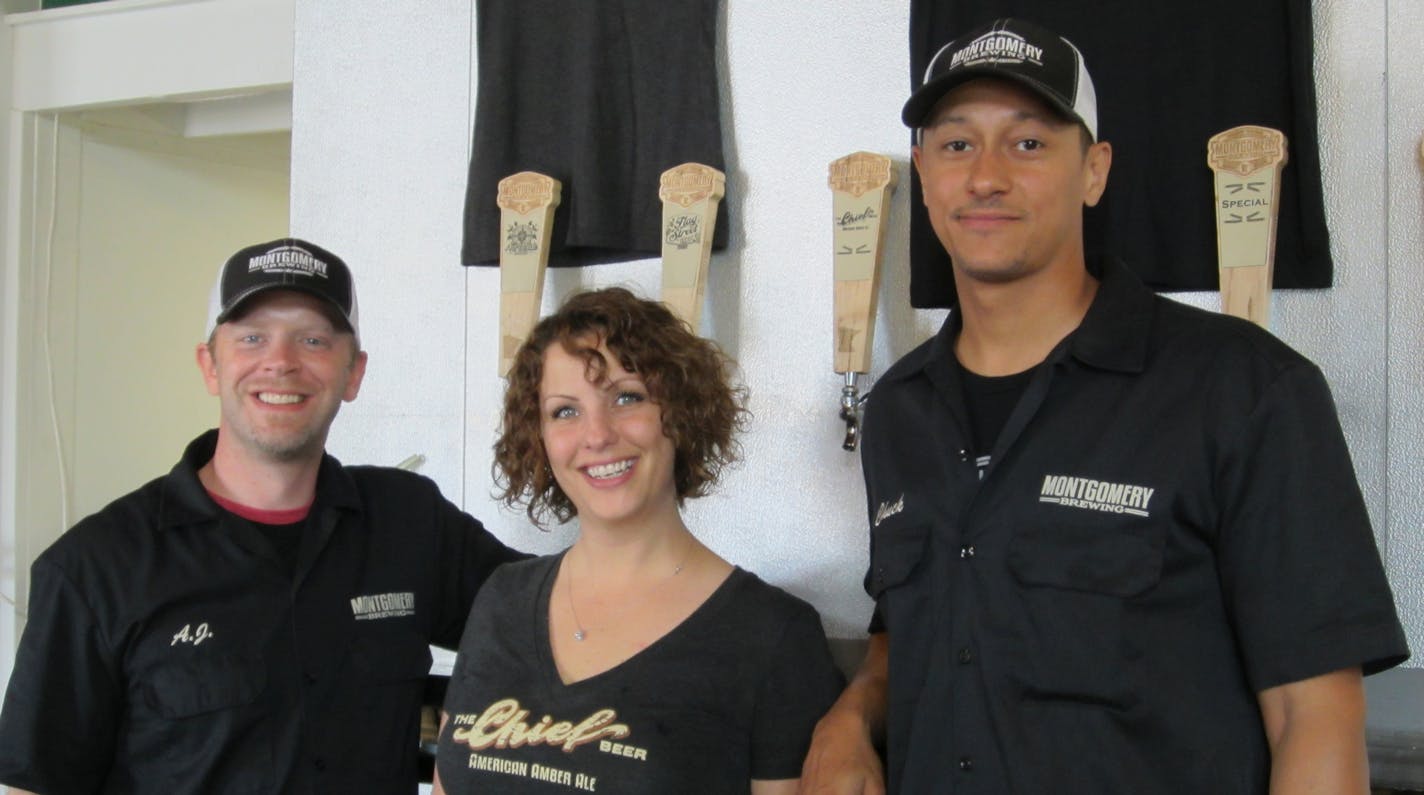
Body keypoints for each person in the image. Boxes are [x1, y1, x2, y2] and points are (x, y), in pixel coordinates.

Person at [798, 18, 1409, 795]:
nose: (985, 176)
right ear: (922, 172)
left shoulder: (1246, 388)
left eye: (1028, 143)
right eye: (957, 145)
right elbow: (925, 622)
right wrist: (850, 716)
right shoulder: (897, 411)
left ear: (1094, 170)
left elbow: (1314, 713)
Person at [0, 238, 524, 794]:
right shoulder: (95, 567)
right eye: (252, 337)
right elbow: (38, 783)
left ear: (353, 373)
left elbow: (565, 621)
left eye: (313, 339)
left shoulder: (412, 523)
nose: (281, 361)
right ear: (210, 366)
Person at [433, 287, 844, 794]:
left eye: (627, 397)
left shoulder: (773, 637)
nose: (597, 434)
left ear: (682, 414)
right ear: (537, 437)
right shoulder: (501, 599)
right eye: (565, 411)